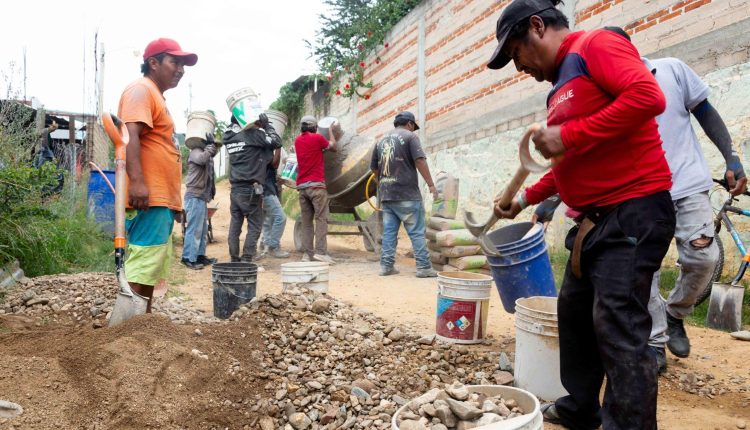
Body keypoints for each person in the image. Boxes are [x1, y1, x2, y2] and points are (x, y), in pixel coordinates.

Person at [488, 1, 677, 429]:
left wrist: (568, 134)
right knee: (575, 317)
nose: (519, 67)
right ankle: (580, 408)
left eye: (516, 53)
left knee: (617, 324)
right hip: (593, 222)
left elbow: (649, 97)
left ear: (537, 26)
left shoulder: (596, 45)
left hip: (632, 210)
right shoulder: (560, 88)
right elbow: (569, 160)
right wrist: (524, 199)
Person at [534, 27, 749, 375]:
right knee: (642, 272)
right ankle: (655, 340)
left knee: (703, 258)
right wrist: (549, 198)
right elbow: (584, 154)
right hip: (639, 195)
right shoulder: (596, 91)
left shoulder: (670, 70)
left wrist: (732, 158)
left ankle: (675, 314)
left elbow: (705, 111)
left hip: (687, 183)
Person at [118, 37, 197, 312]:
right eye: (175, 62)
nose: (181, 69)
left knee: (150, 265)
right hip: (148, 196)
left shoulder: (154, 95)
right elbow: (130, 135)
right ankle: (128, 327)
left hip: (158, 198)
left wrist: (174, 202)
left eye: (183, 64)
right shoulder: (142, 90)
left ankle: (141, 323)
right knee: (143, 262)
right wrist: (138, 183)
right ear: (153, 63)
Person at [370, 111, 439, 278]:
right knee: (416, 231)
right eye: (413, 127)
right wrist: (431, 185)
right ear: (409, 124)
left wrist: (383, 183)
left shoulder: (380, 140)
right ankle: (424, 267)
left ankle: (386, 266)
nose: (413, 129)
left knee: (389, 232)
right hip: (407, 194)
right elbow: (420, 160)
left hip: (387, 195)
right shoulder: (410, 136)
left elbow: (374, 169)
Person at [223, 113, 281, 264]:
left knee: (235, 224)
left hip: (235, 189)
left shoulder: (228, 136)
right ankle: (247, 258)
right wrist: (266, 126)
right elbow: (276, 141)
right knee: (255, 225)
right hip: (251, 188)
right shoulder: (253, 135)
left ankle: (234, 258)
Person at [294, 116, 336, 264]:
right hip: (317, 187)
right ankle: (321, 253)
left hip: (302, 188)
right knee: (321, 219)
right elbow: (333, 147)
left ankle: (307, 255)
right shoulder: (317, 138)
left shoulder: (297, 141)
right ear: (314, 127)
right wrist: (330, 131)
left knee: (306, 222)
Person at [181, 133, 219, 270]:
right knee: (194, 229)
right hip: (194, 196)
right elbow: (202, 160)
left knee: (202, 230)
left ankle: (199, 256)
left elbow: (209, 162)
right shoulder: (196, 151)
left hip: (201, 197)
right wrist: (210, 147)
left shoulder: (205, 153)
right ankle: (188, 258)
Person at [260, 147, 290, 258]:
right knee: (280, 217)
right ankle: (273, 246)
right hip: (267, 189)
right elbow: (275, 164)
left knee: (268, 217)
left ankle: (266, 243)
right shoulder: (267, 150)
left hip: (267, 188)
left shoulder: (259, 150)